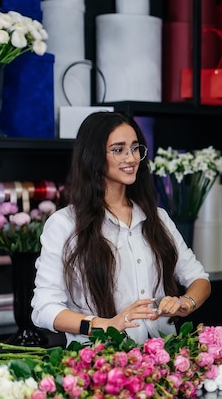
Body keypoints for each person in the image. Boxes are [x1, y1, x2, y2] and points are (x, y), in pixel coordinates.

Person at [32, 111, 211, 346]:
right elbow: (44, 308)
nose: (131, 157)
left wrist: (185, 303)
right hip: (100, 363)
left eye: (135, 148)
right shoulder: (64, 224)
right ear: (93, 157)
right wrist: (105, 325)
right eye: (118, 149)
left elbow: (199, 279)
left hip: (162, 355)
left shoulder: (157, 217)